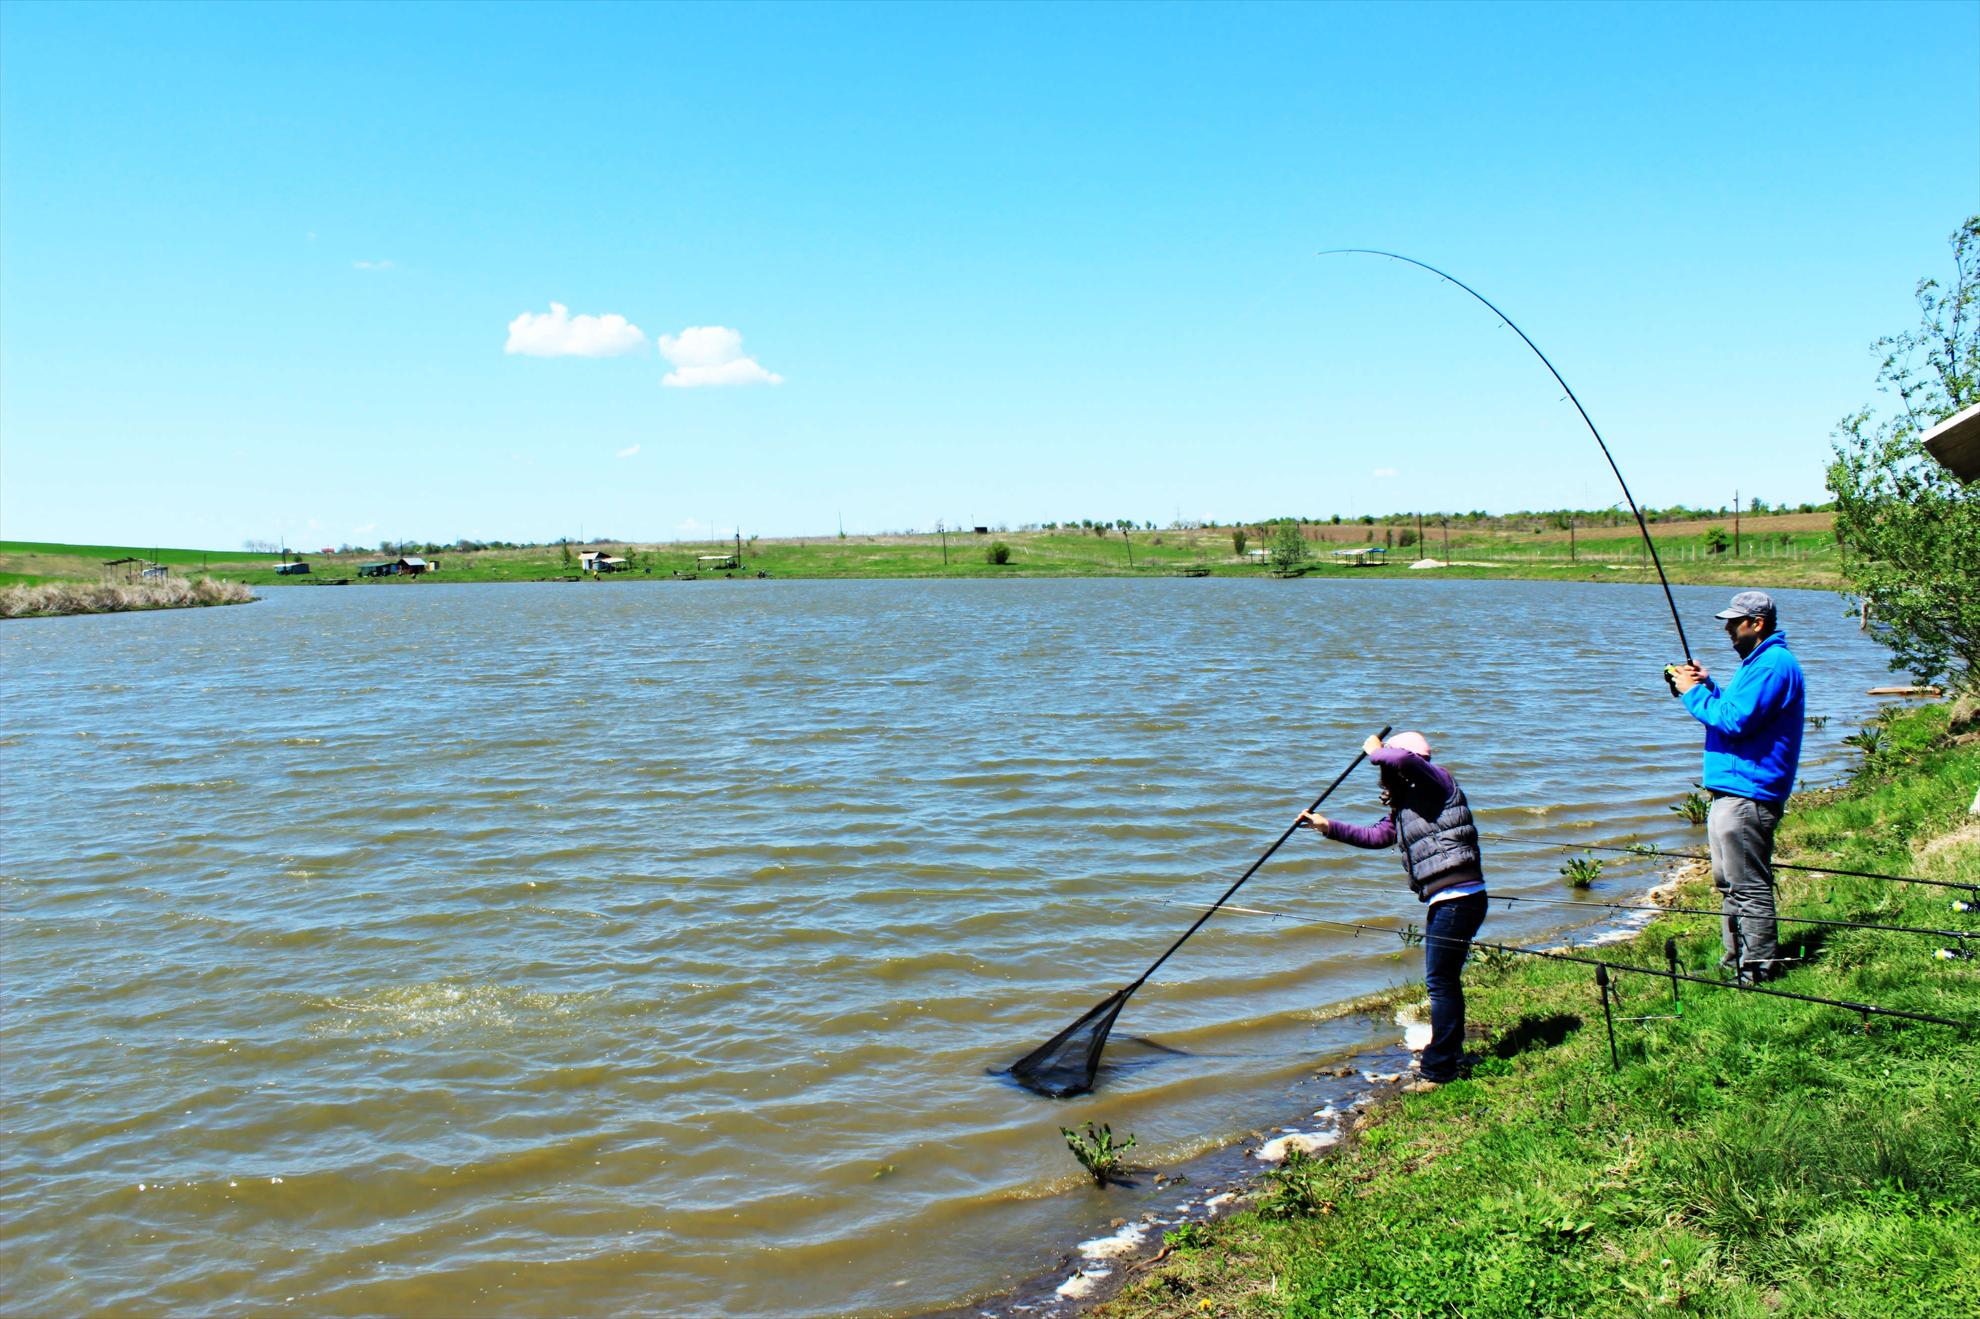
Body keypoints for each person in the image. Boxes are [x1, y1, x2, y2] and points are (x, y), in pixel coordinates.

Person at [1298, 731, 1486, 1088]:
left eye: (1387, 762)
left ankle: (1439, 1069)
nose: (1383, 770)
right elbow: (1378, 837)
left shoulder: (1437, 780)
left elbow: (1402, 761)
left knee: (1441, 984)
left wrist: (1376, 750)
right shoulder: (1407, 803)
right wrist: (1326, 827)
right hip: (1451, 899)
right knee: (1444, 982)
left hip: (1459, 898)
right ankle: (1448, 1056)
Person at [1669, 590, 1806, 986]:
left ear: (1757, 623)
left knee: (1749, 886)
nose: (1728, 629)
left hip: (1750, 792)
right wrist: (1707, 687)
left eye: (1734, 622)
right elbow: (1734, 711)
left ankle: (1757, 970)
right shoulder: (1759, 663)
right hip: (1734, 790)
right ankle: (1735, 962)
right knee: (1730, 885)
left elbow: (1734, 724)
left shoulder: (1773, 665)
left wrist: (1690, 693)